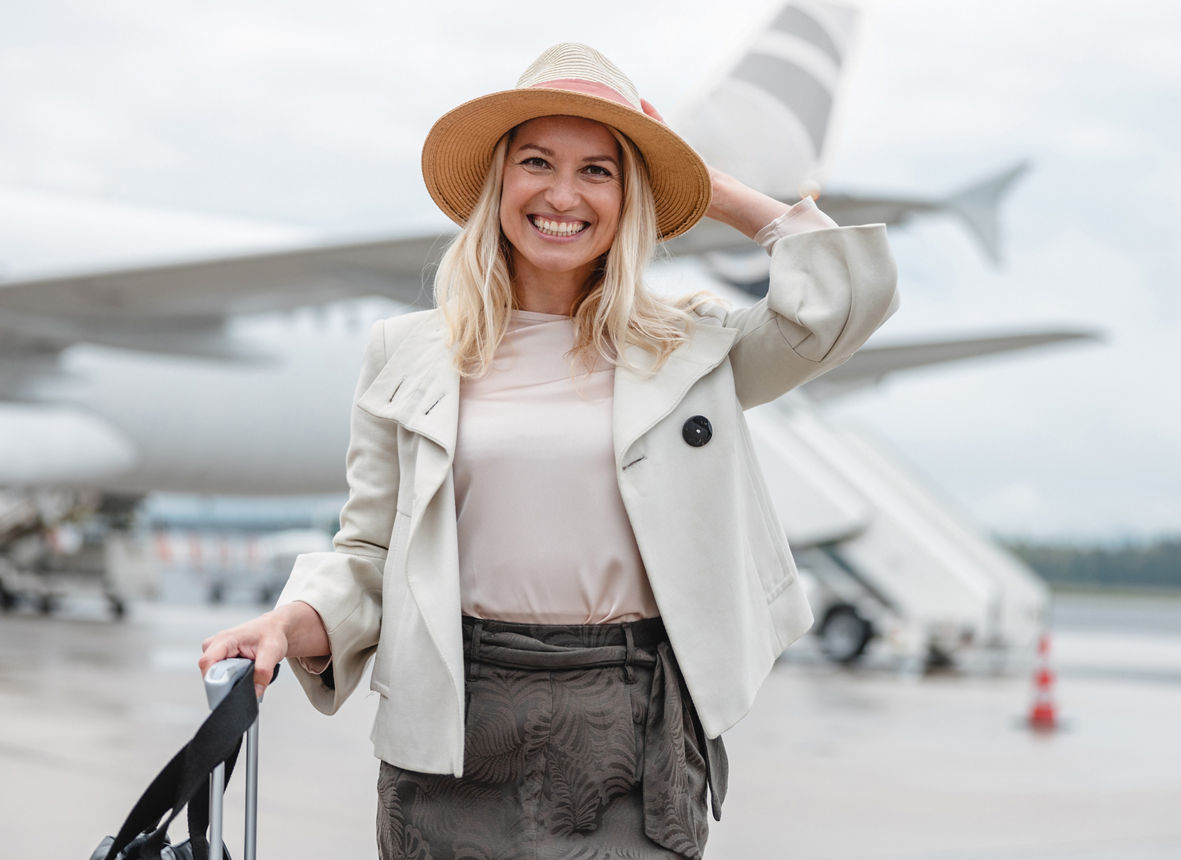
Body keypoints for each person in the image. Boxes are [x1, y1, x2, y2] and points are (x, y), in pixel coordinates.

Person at [199, 42, 898, 859]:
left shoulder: (692, 346)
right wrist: (290, 621)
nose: (563, 195)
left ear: (627, 196)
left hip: (630, 727)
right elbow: (369, 552)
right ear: (500, 181)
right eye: (537, 162)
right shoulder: (408, 352)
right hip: (453, 724)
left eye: (599, 170)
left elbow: (843, 304)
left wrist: (711, 188)